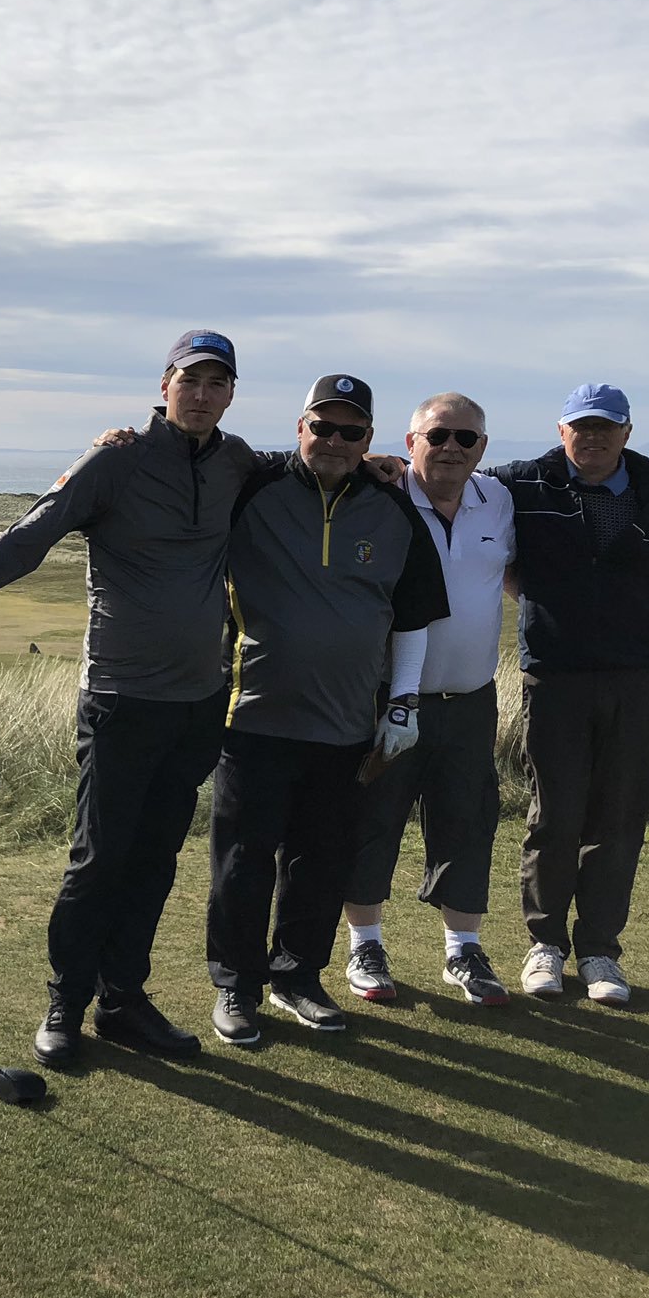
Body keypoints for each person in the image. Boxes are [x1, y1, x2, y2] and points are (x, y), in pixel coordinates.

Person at [0, 330, 256, 1067]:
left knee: (155, 859)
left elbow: (306, 469)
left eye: (218, 383)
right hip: (121, 696)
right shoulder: (115, 459)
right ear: (165, 384)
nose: (203, 394)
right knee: (99, 860)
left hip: (198, 701)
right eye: (191, 380)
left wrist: (384, 465)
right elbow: (32, 535)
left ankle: (125, 1002)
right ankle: (67, 1003)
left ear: (231, 393)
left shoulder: (239, 463)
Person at [205, 374, 449, 1047]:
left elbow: (412, 617)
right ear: (300, 427)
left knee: (320, 860)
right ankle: (236, 986)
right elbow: (188, 462)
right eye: (323, 426)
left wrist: (403, 703)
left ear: (369, 438)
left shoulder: (392, 509)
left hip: (347, 726)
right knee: (243, 861)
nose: (336, 441)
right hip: (251, 716)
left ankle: (297, 978)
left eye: (351, 431)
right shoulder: (253, 488)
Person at [496, 383, 649, 1006]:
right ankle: (546, 945)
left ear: (627, 431)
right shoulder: (522, 484)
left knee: (617, 820)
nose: (592, 438)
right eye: (579, 427)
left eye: (605, 427)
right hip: (555, 677)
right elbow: (450, 481)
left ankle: (598, 951)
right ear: (561, 431)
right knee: (554, 815)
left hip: (638, 681)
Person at [338, 392, 517, 1007]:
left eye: (465, 439)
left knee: (467, 821)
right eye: (437, 436)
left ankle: (462, 952)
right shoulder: (379, 496)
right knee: (373, 818)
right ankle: (365, 942)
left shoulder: (500, 498)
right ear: (410, 441)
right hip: (386, 697)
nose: (450, 448)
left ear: (482, 449)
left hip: (471, 698)